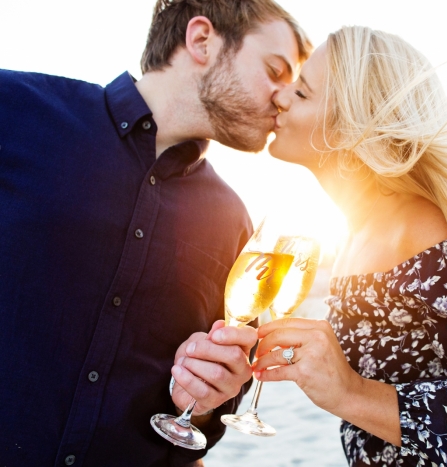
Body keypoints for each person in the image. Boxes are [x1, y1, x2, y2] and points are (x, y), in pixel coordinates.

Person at [0, 1, 311, 466]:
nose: (283, 97)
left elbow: (212, 410)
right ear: (202, 40)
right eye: (274, 70)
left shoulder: (234, 221)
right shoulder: (16, 109)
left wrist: (208, 401)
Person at [252, 26, 447, 466]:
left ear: (350, 131)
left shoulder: (422, 230)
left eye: (303, 93)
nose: (281, 97)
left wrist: (351, 391)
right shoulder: (360, 235)